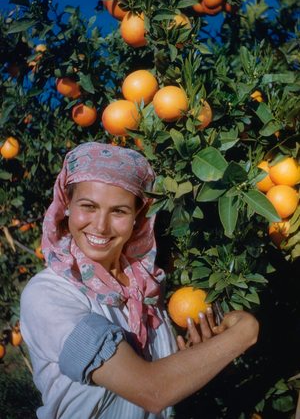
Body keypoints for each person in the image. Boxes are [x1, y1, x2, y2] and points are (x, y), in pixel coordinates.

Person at [20, 142, 259, 419]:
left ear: (138, 216)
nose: (100, 225)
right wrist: (245, 332)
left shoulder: (145, 287)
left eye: (119, 211)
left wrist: (194, 358)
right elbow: (152, 391)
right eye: (88, 206)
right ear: (66, 205)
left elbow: (157, 385)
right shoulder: (48, 295)